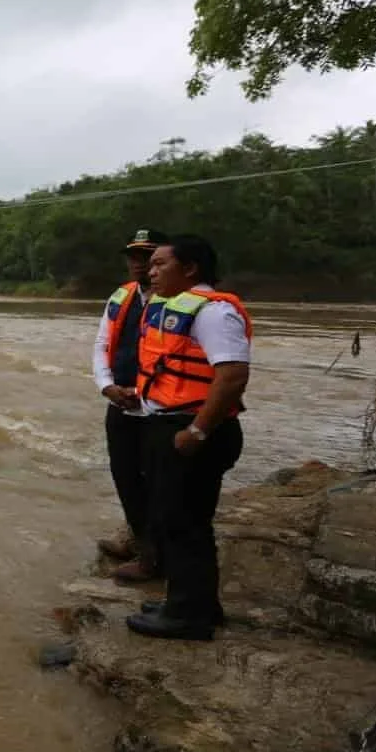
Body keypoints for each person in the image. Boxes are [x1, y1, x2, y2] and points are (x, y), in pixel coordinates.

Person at [125, 235, 251, 642]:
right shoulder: (181, 308)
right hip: (171, 425)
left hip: (192, 432)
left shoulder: (214, 313)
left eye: (161, 264)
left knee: (183, 523)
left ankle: (186, 617)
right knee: (181, 520)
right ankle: (194, 603)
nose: (151, 271)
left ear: (191, 268)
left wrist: (197, 430)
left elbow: (232, 375)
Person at [92, 229, 168, 584]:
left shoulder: (183, 303)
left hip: (163, 411)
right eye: (134, 257)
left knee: (160, 482)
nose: (139, 264)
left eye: (148, 256)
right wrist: (106, 386)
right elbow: (102, 343)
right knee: (125, 477)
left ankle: (157, 557)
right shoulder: (122, 297)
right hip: (121, 404)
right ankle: (141, 543)